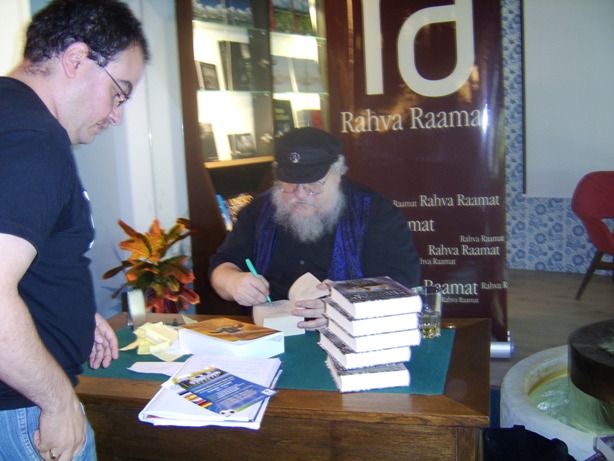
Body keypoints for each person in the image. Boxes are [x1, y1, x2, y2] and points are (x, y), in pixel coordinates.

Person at [0, 1, 149, 459]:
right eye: (119, 92)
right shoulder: (34, 141)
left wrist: (61, 310)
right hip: (23, 412)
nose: (117, 115)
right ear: (76, 59)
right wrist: (58, 401)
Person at [210, 127, 420, 329]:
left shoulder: (373, 210)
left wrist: (345, 303)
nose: (300, 194)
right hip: (270, 339)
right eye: (289, 185)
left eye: (313, 185)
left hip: (349, 339)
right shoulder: (259, 210)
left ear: (337, 174)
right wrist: (233, 282)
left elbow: (400, 282)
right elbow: (221, 266)